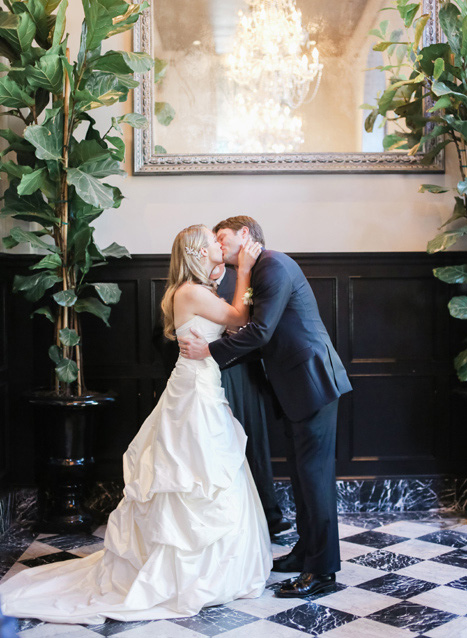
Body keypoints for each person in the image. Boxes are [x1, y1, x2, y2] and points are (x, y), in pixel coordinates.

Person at [0, 225, 272, 624]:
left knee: (202, 470)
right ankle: (186, 573)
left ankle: (207, 568)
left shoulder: (195, 290)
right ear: (198, 252)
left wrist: (219, 281)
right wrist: (245, 269)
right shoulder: (191, 292)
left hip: (201, 386)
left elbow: (227, 327)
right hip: (194, 392)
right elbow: (240, 317)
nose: (221, 244)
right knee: (192, 472)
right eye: (213, 241)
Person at [178, 216, 353, 599]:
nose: (219, 247)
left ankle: (322, 573)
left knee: (315, 480)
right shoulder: (258, 271)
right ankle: (306, 553)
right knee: (303, 478)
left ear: (245, 235)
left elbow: (259, 332)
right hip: (297, 387)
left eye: (222, 238)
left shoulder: (272, 265)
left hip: (312, 383)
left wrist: (208, 351)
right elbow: (251, 328)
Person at [210, 262, 291, 537]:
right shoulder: (188, 284)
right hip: (206, 374)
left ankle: (267, 514)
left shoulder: (243, 279)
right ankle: (223, 517)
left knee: (251, 441)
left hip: (243, 371)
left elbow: (263, 328)